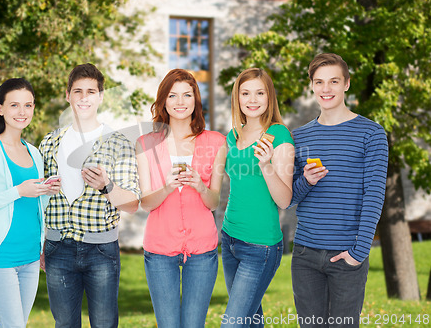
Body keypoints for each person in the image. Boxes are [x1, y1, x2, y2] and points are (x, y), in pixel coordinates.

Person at [290, 53, 388, 328]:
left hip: (346, 255)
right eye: (319, 82)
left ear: (346, 84)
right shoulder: (300, 136)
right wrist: (306, 181)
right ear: (311, 86)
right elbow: (289, 200)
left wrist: (358, 252)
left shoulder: (371, 133)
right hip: (305, 255)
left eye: (333, 81)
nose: (326, 89)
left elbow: (374, 194)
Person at [39, 63, 140, 328]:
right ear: (67, 95)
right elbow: (41, 201)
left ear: (101, 96)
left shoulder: (118, 142)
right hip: (57, 248)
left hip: (101, 252)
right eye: (78, 91)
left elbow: (132, 203)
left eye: (91, 92)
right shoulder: (49, 142)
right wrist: (42, 243)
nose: (84, 98)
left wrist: (107, 187)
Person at [136, 69, 226, 328]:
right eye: (173, 95)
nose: (180, 102)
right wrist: (166, 187)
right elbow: (145, 203)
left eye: (187, 95)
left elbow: (213, 202)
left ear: (196, 100)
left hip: (202, 250)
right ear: (163, 101)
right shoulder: (145, 144)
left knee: (194, 324)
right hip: (159, 249)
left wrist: (200, 185)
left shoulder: (216, 143)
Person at [0, 78, 59, 328]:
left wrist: (48, 190)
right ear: (0, 108)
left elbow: (34, 204)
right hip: (0, 258)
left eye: (28, 105)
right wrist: (17, 191)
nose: (22, 112)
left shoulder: (34, 152)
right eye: (15, 105)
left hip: (30, 256)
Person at [221, 68, 294, 328]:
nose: (252, 99)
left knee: (232, 323)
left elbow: (285, 200)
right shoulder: (232, 136)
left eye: (259, 93)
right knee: (250, 322)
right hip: (229, 239)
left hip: (260, 247)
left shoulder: (278, 135)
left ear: (269, 97)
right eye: (245, 93)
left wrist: (266, 165)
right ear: (237, 98)